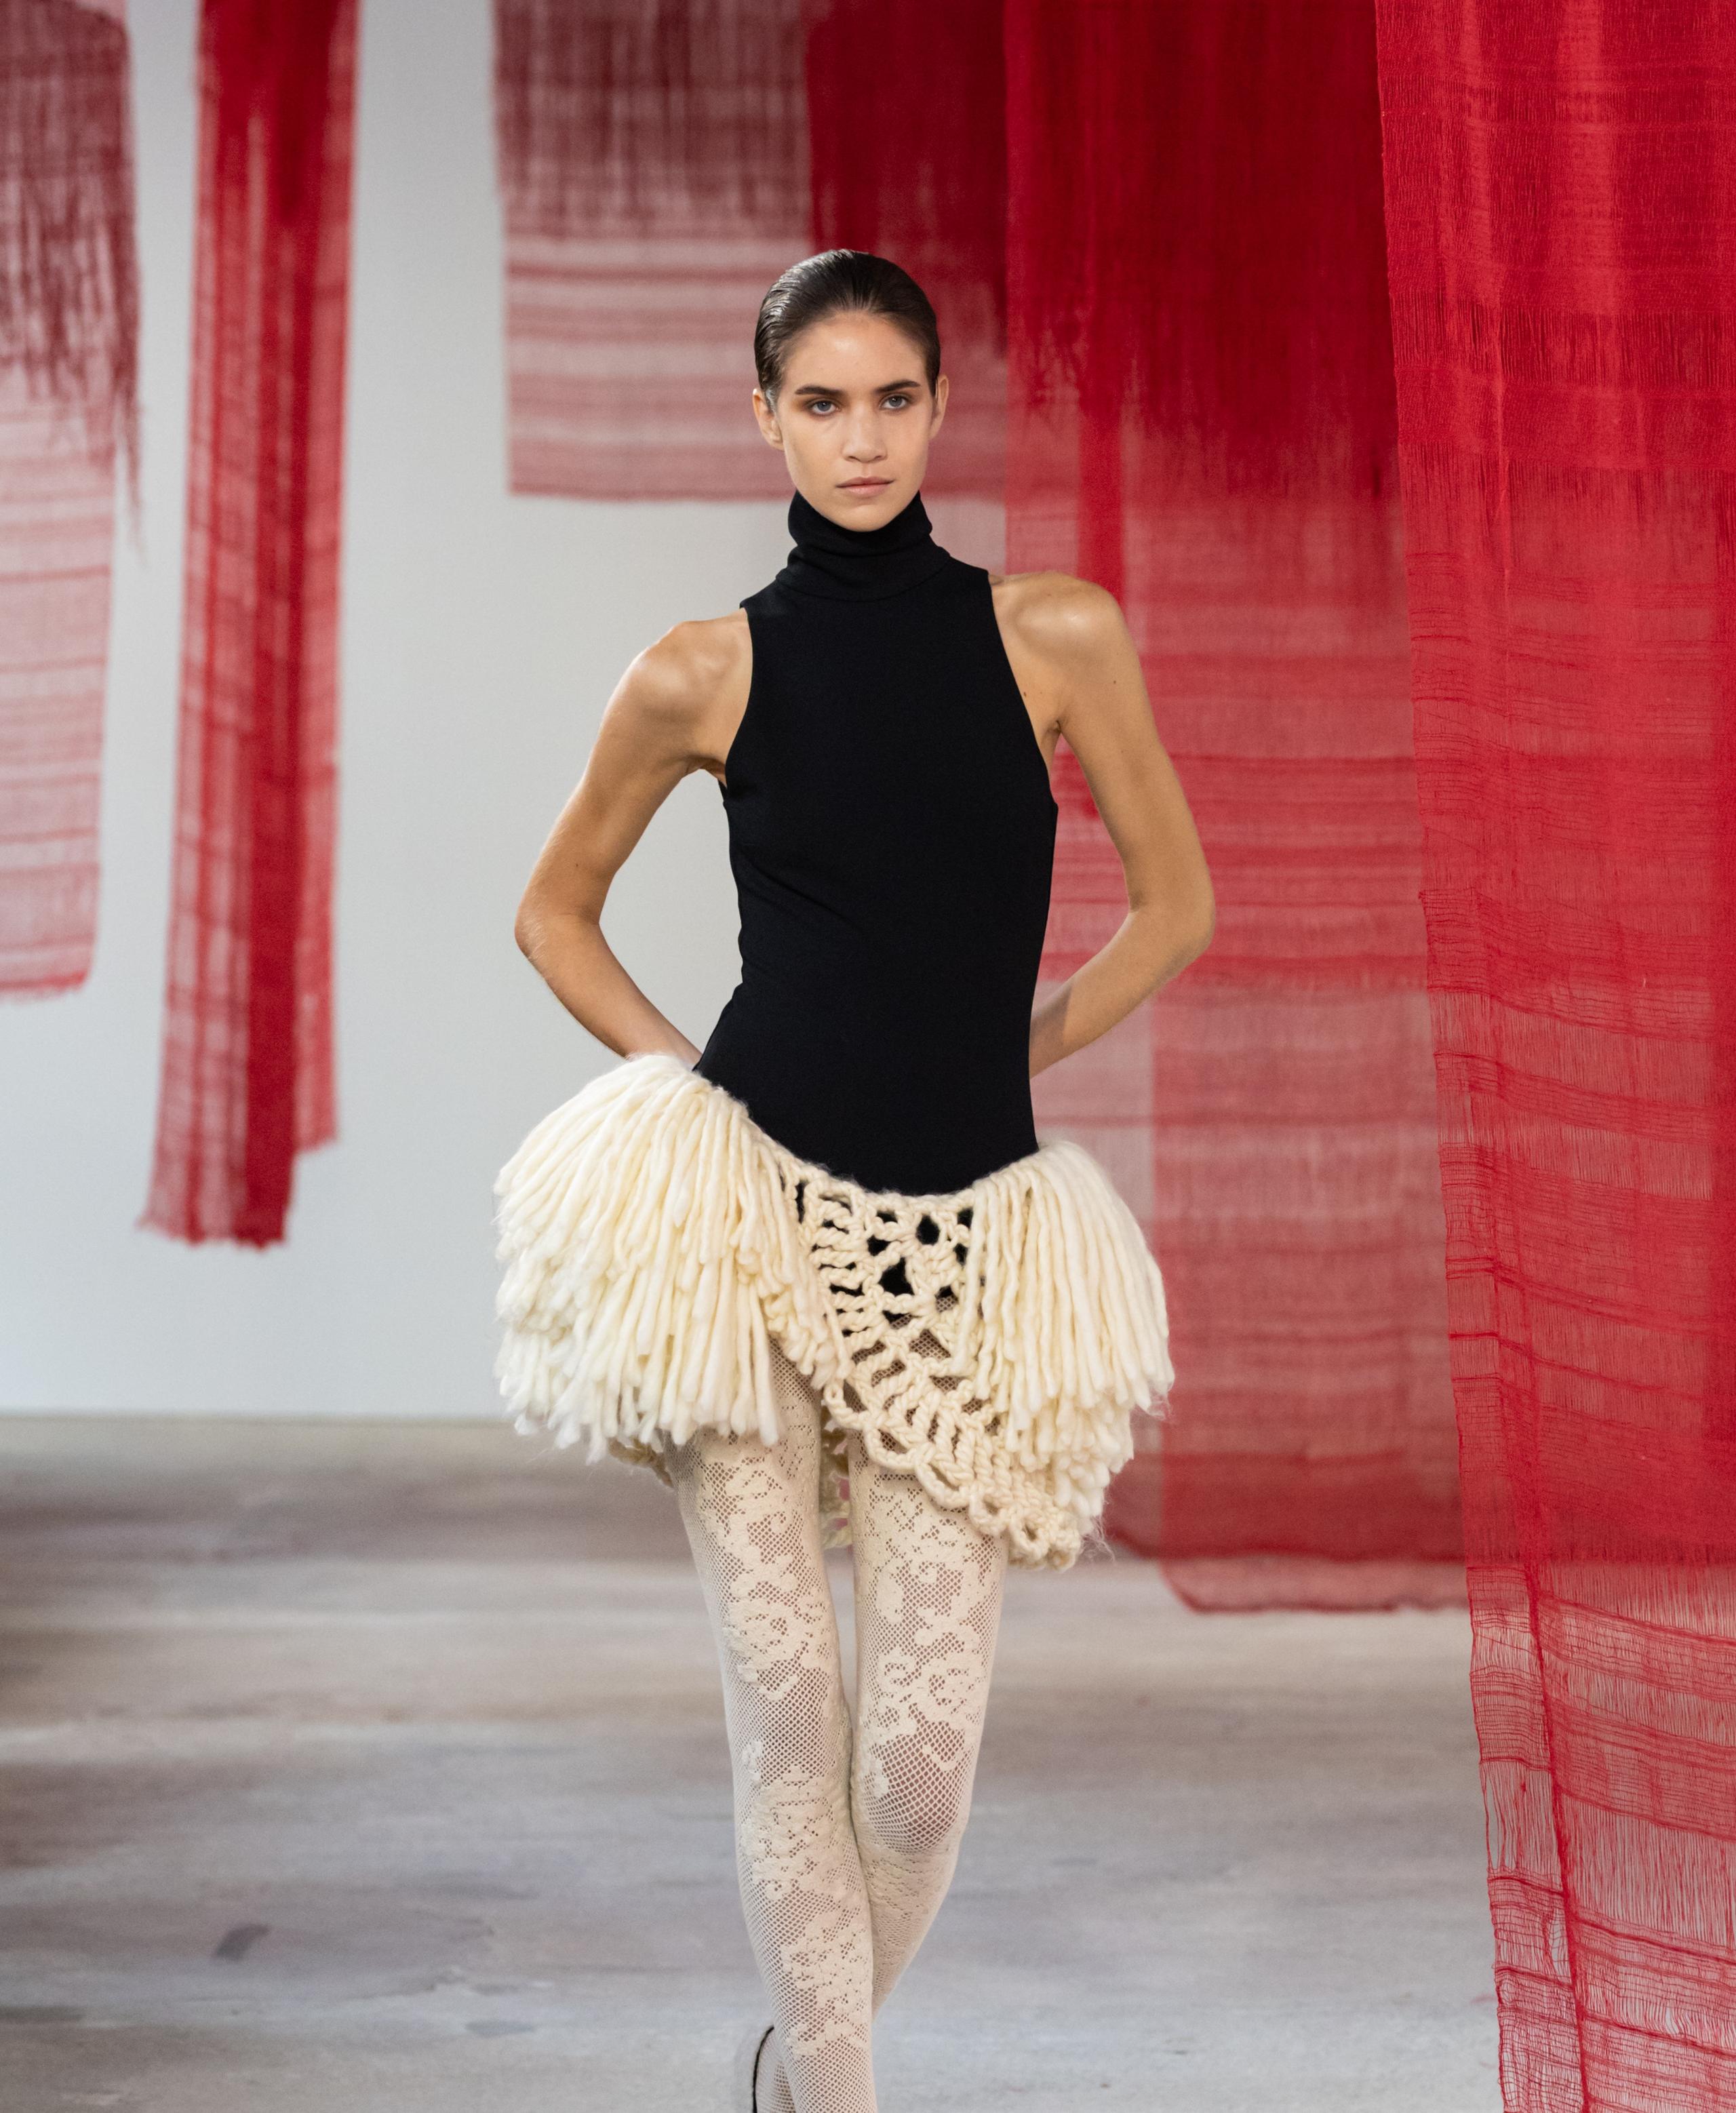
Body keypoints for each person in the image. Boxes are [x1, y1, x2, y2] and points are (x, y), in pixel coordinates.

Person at [496, 251, 1215, 2113]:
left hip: (962, 1240)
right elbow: (553, 912)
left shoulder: (1056, 635)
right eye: (821, 403)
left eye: (893, 398)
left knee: (912, 1768)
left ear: (940, 406)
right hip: (744, 1234)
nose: (862, 437)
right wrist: (689, 1100)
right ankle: (836, 2098)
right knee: (789, 1711)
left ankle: (792, 2065)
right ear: (767, 421)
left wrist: (1002, 1058)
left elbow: (1176, 905)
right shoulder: (703, 667)